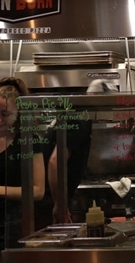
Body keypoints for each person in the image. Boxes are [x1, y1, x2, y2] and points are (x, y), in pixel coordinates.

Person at [35, 80, 118, 229]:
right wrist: (59, 204)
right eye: (106, 101)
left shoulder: (74, 113)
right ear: (93, 97)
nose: (109, 107)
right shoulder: (80, 119)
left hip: (47, 199)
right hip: (47, 202)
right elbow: (55, 162)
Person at [0, 77, 45, 249]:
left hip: (14, 224)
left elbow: (38, 191)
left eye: (5, 115)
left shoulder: (27, 140)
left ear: (18, 113)